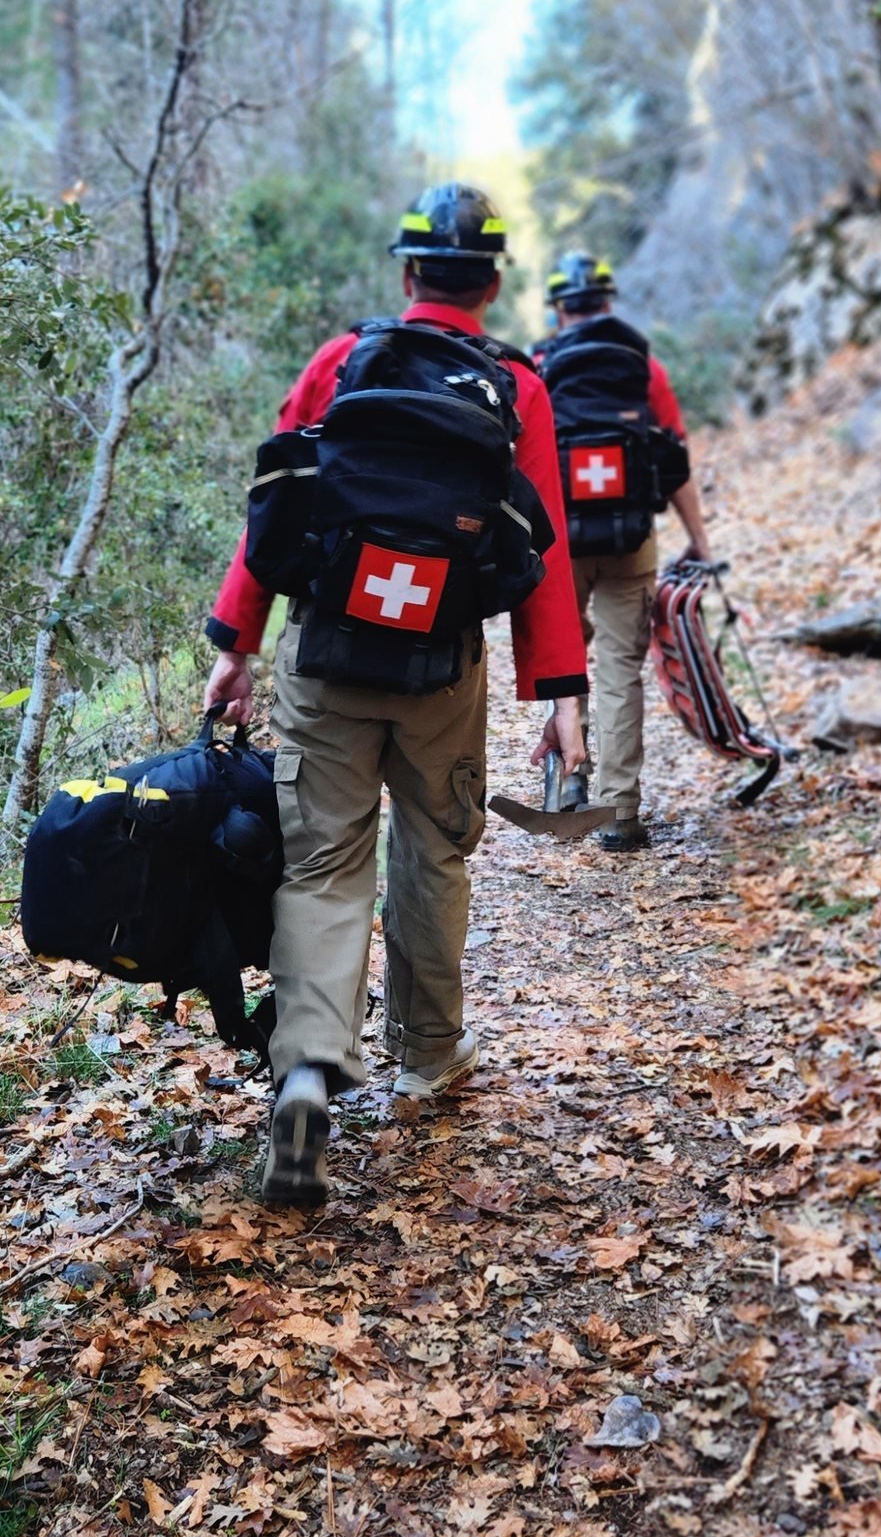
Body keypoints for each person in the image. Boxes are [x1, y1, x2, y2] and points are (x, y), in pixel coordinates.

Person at [201, 183, 588, 1208]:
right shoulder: (519, 386)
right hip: (440, 667)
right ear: (494, 282)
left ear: (407, 271)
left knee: (323, 863)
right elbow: (543, 552)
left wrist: (233, 643)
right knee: (433, 849)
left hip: (324, 657)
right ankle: (427, 1055)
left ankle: (307, 1073)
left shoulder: (340, 361)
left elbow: (271, 506)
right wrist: (558, 691)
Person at [534, 251, 711, 854]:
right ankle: (620, 813)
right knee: (618, 672)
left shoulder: (539, 367)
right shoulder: (643, 368)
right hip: (631, 539)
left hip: (562, 544)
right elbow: (675, 459)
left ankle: (568, 783)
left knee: (564, 657)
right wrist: (699, 539)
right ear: (608, 303)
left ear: (559, 310)